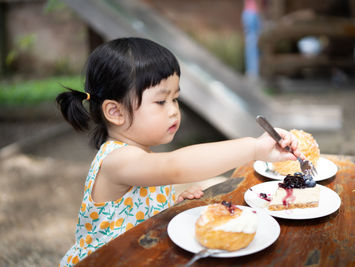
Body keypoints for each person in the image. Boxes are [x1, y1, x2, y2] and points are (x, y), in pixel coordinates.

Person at [56, 37, 303, 266]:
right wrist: (253, 148)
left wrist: (171, 205)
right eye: (161, 101)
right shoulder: (116, 161)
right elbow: (175, 167)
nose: (173, 110)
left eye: (175, 99)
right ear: (116, 112)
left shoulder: (141, 156)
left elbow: (135, 211)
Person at [242, 0, 263, 78]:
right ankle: (253, 72)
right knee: (252, 44)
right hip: (252, 14)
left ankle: (254, 71)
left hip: (254, 14)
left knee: (256, 44)